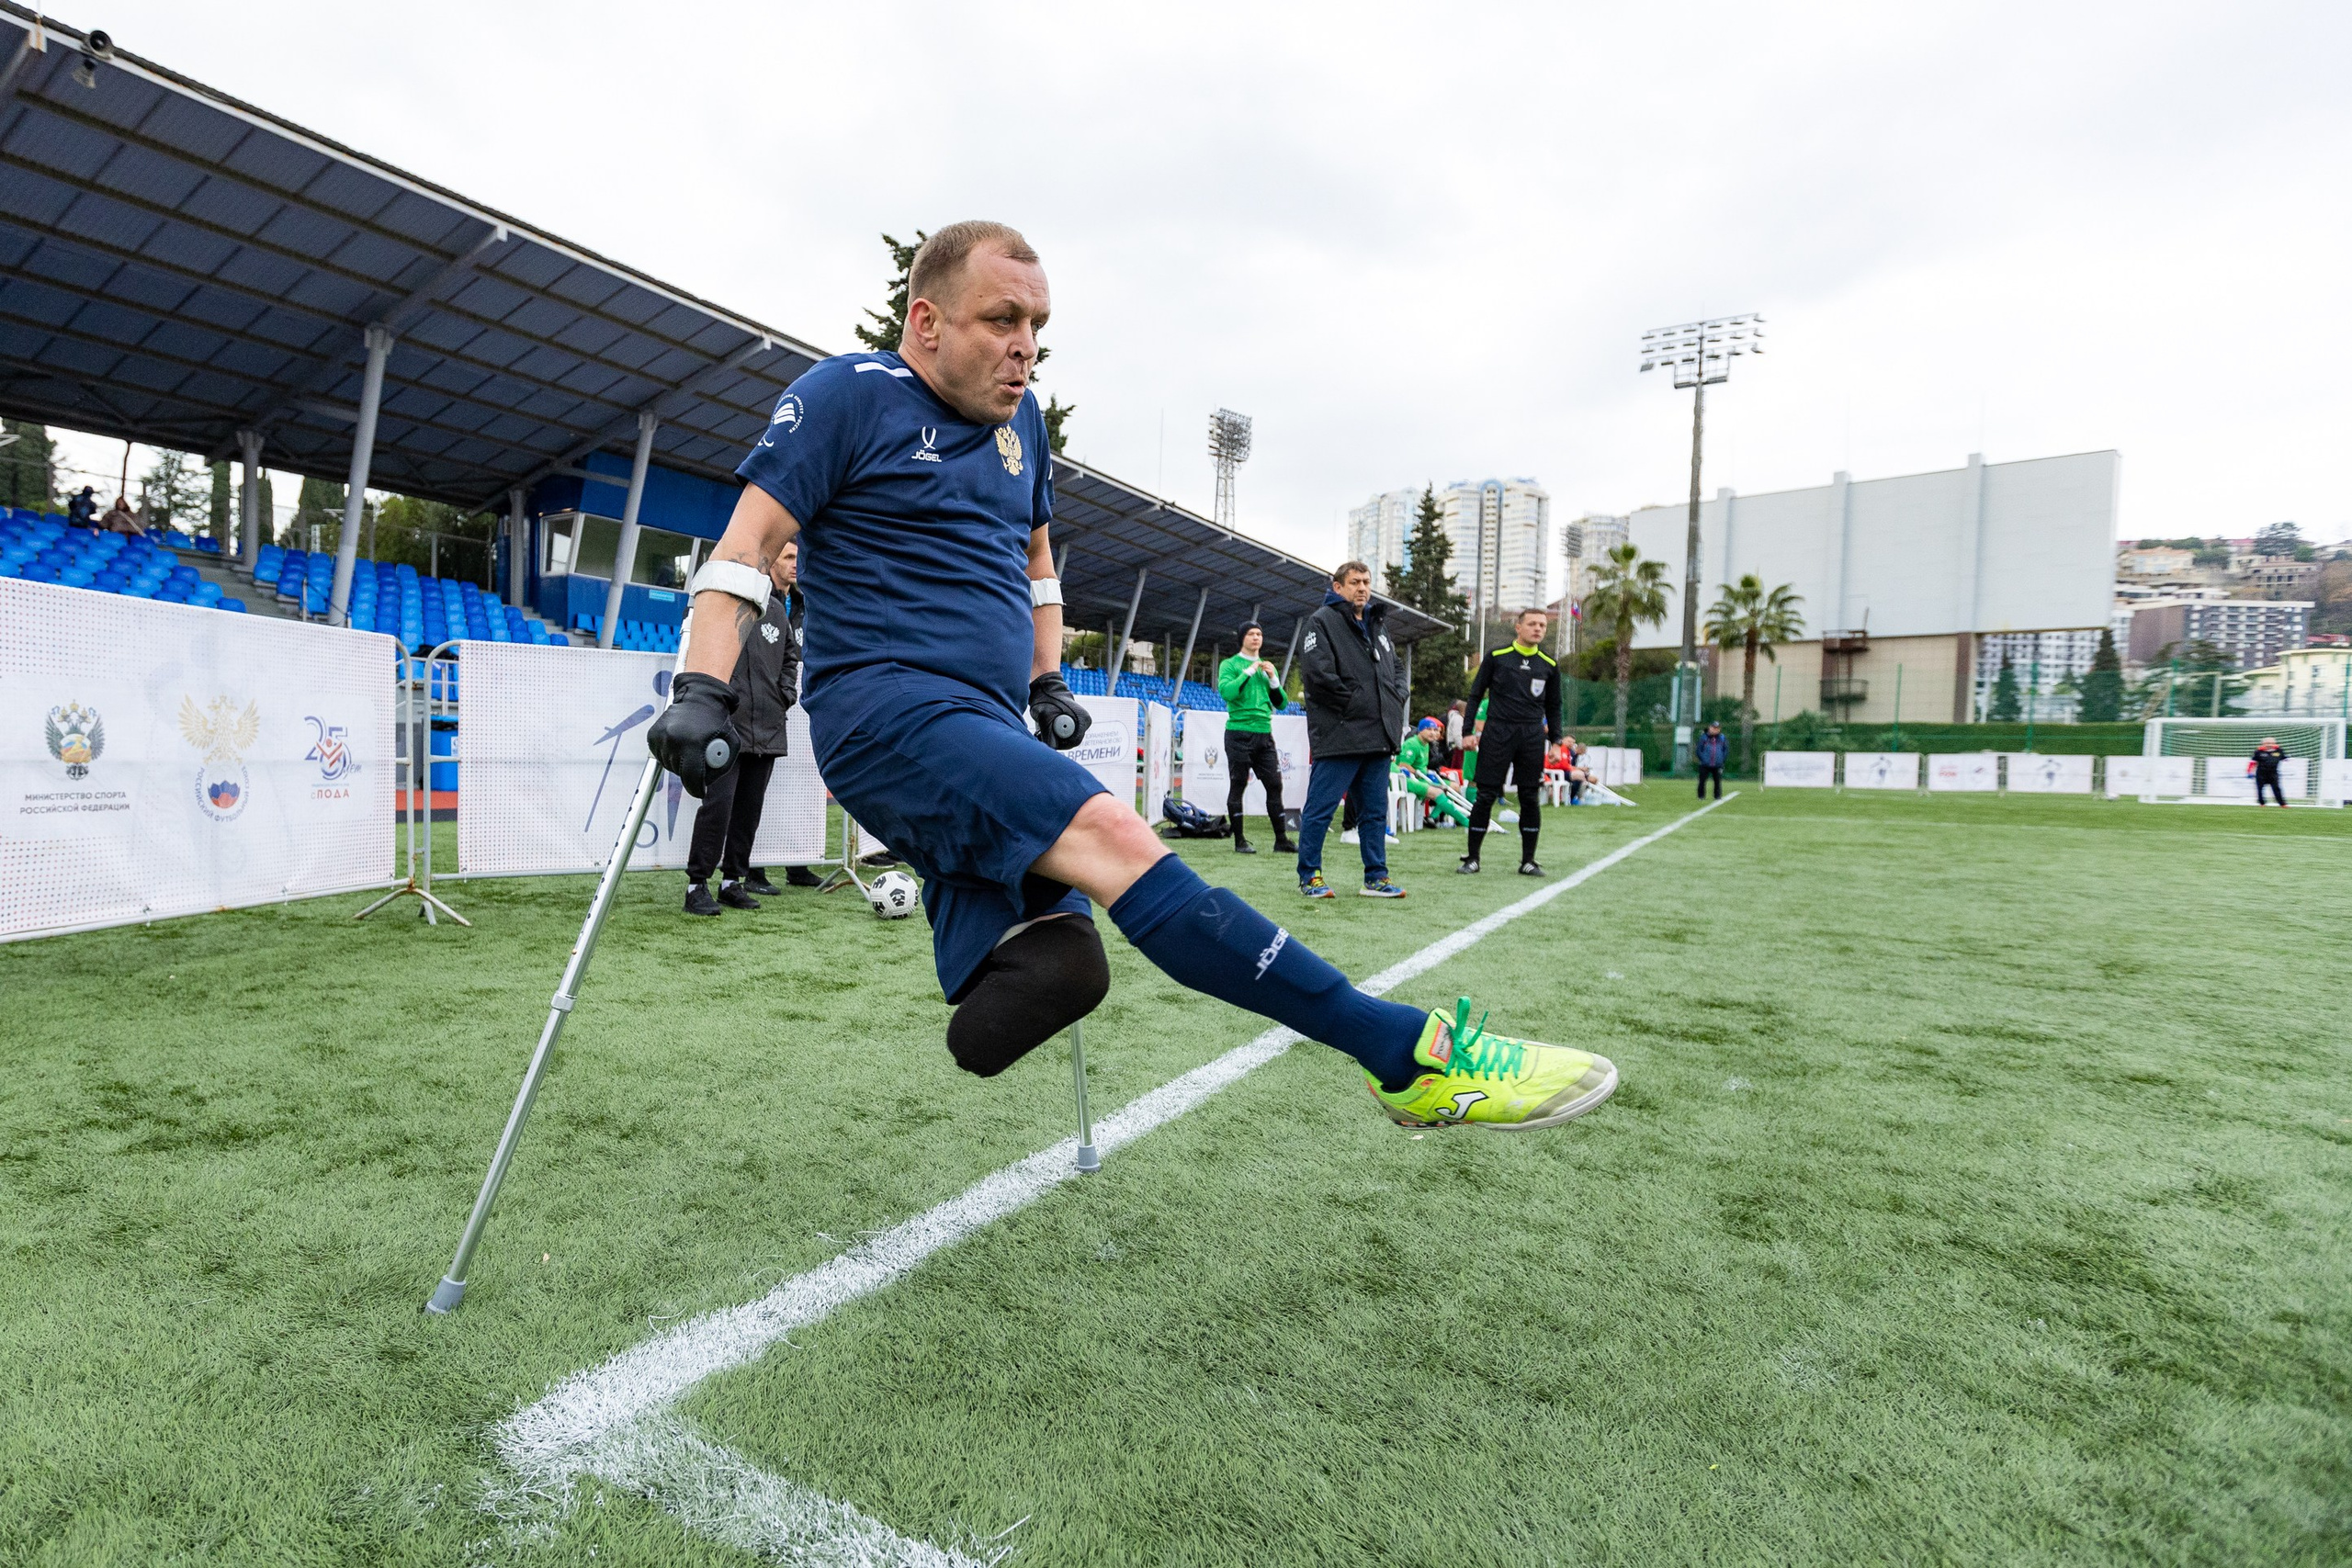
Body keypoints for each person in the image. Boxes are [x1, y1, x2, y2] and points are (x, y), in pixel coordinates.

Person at [649, 221, 1612, 1131]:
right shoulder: (846, 395)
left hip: (987, 717)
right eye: (1000, 321)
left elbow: (1035, 569)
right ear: (927, 322)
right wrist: (701, 688)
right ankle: (1406, 1057)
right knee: (1114, 830)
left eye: (1036, 327)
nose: (1024, 348)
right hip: (886, 710)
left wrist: (1047, 681)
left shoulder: (1022, 426)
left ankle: (979, 974)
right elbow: (744, 549)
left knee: (1060, 964)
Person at [684, 540, 810, 915]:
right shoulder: (724, 602)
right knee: (717, 806)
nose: (793, 566)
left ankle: (732, 882)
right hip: (726, 728)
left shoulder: (776, 611)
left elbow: (790, 659)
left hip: (768, 727)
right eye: (787, 558)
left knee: (748, 811)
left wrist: (783, 695)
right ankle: (696, 885)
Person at [1295, 560, 1408, 900]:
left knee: (1374, 813)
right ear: (1338, 586)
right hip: (1340, 735)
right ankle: (1310, 876)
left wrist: (1396, 696)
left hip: (1378, 735)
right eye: (1355, 582)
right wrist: (1357, 703)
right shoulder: (1321, 621)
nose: (1362, 588)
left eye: (1367, 582)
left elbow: (1397, 667)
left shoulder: (1376, 622)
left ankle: (1376, 877)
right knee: (1321, 808)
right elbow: (1318, 675)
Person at [1458, 608, 1563, 875]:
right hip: (1497, 732)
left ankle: (1528, 861)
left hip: (1531, 735)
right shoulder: (1497, 657)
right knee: (1485, 795)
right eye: (1532, 624)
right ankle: (1472, 858)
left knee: (1529, 797)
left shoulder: (1549, 665)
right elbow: (1475, 694)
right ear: (1519, 627)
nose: (1538, 628)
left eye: (1542, 625)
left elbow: (1554, 706)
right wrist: (1467, 731)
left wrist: (1557, 741)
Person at [1215, 623, 1295, 855]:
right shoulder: (1229, 665)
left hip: (1264, 732)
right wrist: (1248, 672)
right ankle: (1240, 841)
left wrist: (1273, 680)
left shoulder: (1268, 667)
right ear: (1242, 638)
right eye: (1251, 634)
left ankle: (1282, 840)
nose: (1256, 637)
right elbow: (1228, 693)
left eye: (1260, 633)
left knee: (1275, 784)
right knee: (1238, 784)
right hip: (1238, 732)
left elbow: (1281, 703)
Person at [2251, 737, 2289, 807]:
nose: (2269, 745)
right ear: (2263, 744)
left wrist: (2288, 759)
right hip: (2261, 773)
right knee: (2260, 789)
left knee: (2276, 788)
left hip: (2273, 773)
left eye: (2272, 743)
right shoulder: (2258, 752)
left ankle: (2282, 804)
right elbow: (2253, 762)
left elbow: (2285, 758)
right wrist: (2249, 771)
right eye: (2267, 743)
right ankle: (2262, 803)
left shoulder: (2279, 751)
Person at [1694, 721, 1727, 799]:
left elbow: (1725, 750)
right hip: (1705, 764)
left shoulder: (1722, 738)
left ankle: (1717, 796)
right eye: (1713, 728)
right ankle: (1701, 796)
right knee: (1702, 781)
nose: (1715, 730)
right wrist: (1703, 759)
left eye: (1717, 728)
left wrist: (1722, 759)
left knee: (1717, 781)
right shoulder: (1704, 737)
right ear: (1710, 727)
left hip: (1717, 764)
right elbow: (1699, 750)